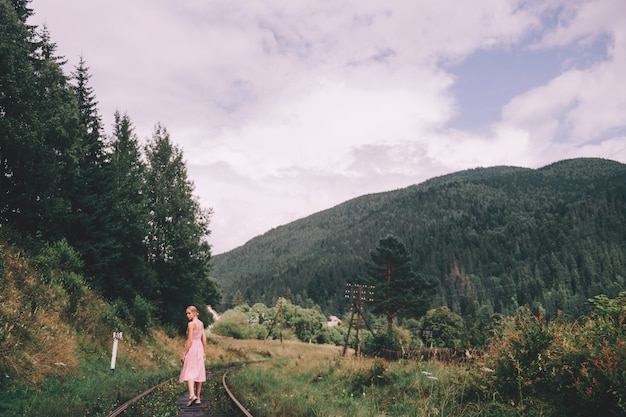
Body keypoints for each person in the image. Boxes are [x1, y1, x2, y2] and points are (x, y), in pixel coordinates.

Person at [179, 306, 207, 406]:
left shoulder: (191, 324)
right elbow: (204, 339)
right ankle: (198, 398)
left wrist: (184, 353)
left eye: (189, 313)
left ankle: (192, 395)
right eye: (186, 313)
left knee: (189, 371)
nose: (187, 315)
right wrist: (204, 352)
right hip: (199, 348)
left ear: (195, 313)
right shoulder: (201, 323)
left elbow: (190, 340)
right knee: (199, 371)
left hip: (193, 349)